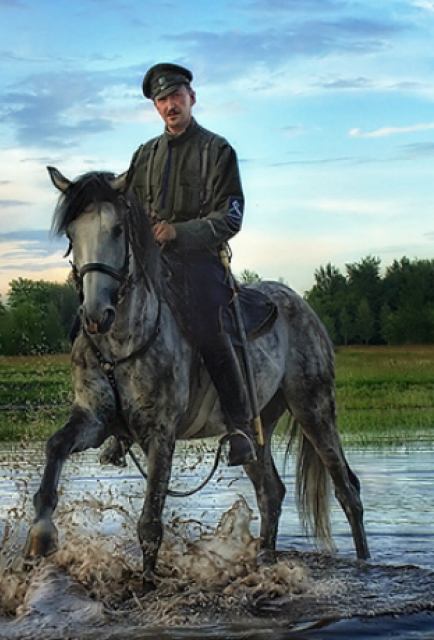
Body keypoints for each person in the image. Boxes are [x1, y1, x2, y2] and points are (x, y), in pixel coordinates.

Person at [126, 62, 257, 466]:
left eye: (175, 97)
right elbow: (127, 210)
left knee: (207, 325)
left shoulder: (217, 151)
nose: (170, 105)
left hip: (200, 264)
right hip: (152, 268)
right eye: (161, 100)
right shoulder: (144, 156)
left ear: (191, 98)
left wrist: (178, 232)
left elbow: (231, 217)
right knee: (106, 317)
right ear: (156, 106)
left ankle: (240, 427)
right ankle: (118, 420)